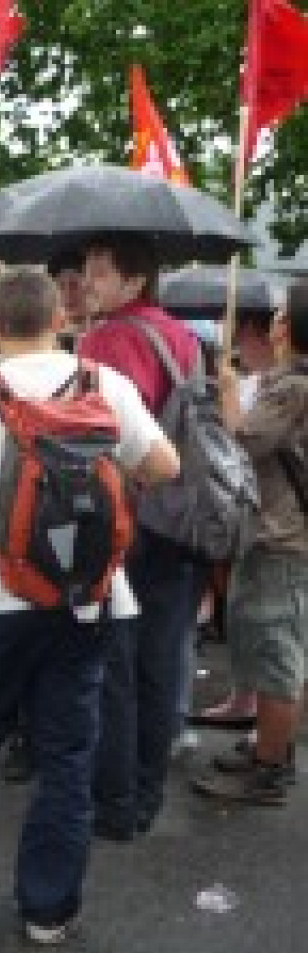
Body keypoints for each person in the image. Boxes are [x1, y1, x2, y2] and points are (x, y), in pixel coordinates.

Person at [0, 266, 179, 945]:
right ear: (60, 315)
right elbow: (166, 465)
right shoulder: (104, 386)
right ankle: (48, 909)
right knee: (66, 755)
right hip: (88, 604)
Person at [77, 233, 204, 841]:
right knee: (161, 657)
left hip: (136, 516)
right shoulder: (181, 336)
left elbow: (109, 433)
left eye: (99, 273)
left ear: (132, 283)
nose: (85, 283)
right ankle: (147, 788)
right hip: (188, 514)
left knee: (117, 664)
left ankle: (117, 800)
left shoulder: (112, 339)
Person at [192, 286, 308, 804]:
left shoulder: (295, 387)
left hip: (282, 537)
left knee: (276, 649)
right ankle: (267, 744)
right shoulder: (288, 381)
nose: (274, 322)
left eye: (282, 315)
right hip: (272, 530)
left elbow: (247, 441)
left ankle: (270, 765)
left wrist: (231, 394)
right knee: (263, 645)